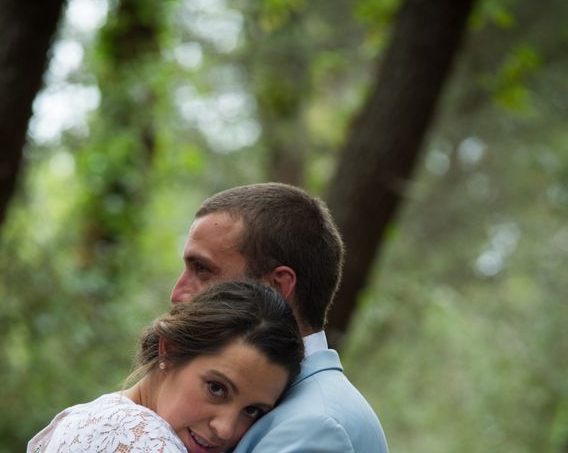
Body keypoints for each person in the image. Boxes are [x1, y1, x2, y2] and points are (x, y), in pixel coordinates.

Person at [171, 182, 389, 453]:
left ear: (275, 287)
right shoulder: (287, 403)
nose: (178, 294)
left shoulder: (314, 425)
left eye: (202, 269)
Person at [27, 281, 304, 453]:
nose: (226, 429)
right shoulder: (140, 438)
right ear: (170, 350)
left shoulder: (89, 417)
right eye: (216, 388)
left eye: (252, 411)